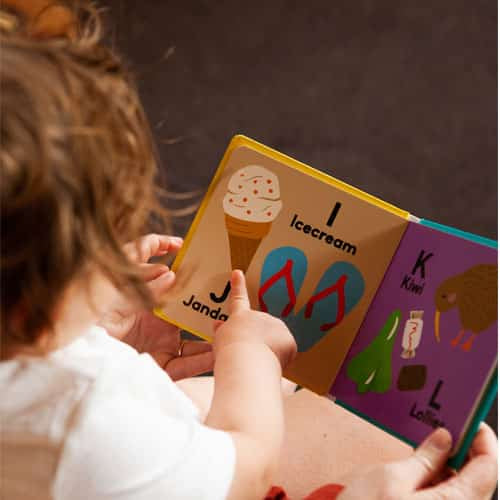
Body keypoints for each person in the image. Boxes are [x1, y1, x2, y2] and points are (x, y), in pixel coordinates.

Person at [0, 2, 497, 499]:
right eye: (99, 248)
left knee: (292, 397)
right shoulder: (85, 419)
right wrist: (251, 356)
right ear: (31, 310)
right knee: (393, 443)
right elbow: (249, 470)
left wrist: (99, 340)